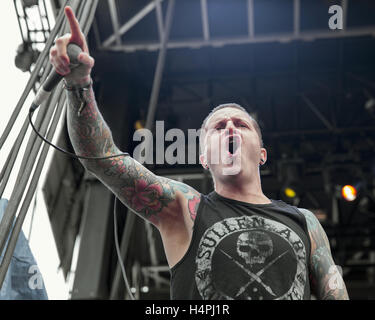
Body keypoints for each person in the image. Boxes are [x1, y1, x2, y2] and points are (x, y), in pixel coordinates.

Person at [49, 6, 349, 300]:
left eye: (241, 125)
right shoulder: (184, 208)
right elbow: (101, 157)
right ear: (204, 159)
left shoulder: (304, 221)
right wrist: (79, 84)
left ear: (262, 155)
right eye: (219, 128)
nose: (230, 128)